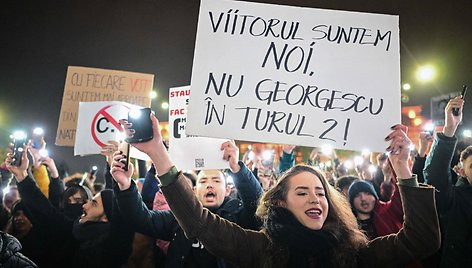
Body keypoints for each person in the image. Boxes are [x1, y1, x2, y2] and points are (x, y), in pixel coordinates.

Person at [114, 114, 440, 267]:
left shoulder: (356, 254)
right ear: (281, 203)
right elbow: (201, 225)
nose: (315, 198)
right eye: (302, 193)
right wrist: (158, 153)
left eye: (321, 192)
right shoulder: (261, 248)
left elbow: (422, 241)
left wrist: (403, 168)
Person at [112, 139, 263, 268]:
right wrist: (125, 187)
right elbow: (142, 220)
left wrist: (238, 169)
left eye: (216, 181)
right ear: (195, 190)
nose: (209, 185)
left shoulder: (239, 215)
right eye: (203, 181)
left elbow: (259, 206)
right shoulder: (179, 217)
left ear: (228, 190)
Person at [5, 145, 134, 268]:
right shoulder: (72, 229)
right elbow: (45, 209)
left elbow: (115, 202)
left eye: (93, 203)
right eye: (69, 200)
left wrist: (116, 172)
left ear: (106, 217)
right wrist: (21, 175)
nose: (85, 205)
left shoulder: (113, 243)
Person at [423, 96, 472, 267]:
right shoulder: (454, 199)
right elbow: (435, 175)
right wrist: (449, 129)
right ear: (462, 172)